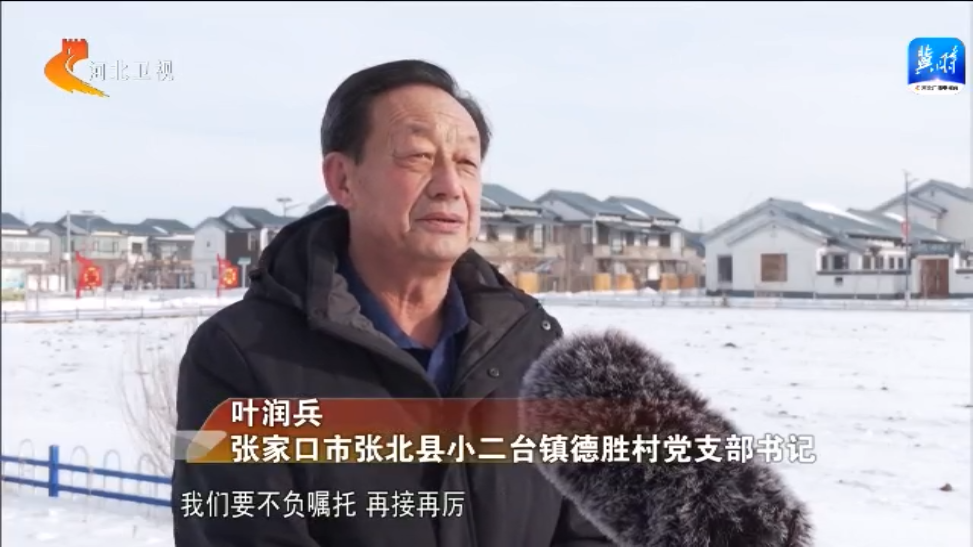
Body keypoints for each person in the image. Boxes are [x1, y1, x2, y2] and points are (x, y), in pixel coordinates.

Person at [171, 59, 612, 547]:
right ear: (343, 180)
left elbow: (590, 529)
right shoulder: (238, 355)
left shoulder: (533, 346)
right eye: (418, 156)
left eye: (467, 163)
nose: (450, 186)